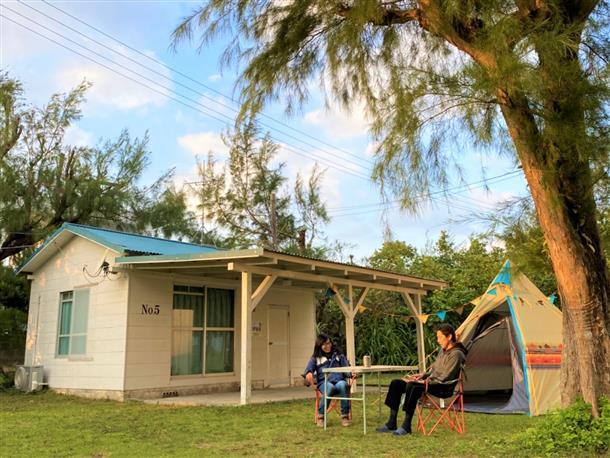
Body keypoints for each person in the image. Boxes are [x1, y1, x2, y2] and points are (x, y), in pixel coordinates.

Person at [376, 324, 468, 436]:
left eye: (440, 337)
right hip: (432, 383)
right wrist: (422, 376)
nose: (438, 340)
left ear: (449, 337)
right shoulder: (443, 352)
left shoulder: (456, 354)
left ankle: (406, 425)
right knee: (396, 383)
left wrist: (424, 382)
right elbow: (433, 371)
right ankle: (391, 422)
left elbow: (445, 377)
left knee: (413, 386)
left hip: (443, 387)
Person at [304, 334, 353, 427]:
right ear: (319, 346)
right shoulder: (315, 358)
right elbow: (308, 370)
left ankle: (345, 416)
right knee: (329, 388)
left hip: (339, 381)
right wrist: (309, 374)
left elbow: (346, 369)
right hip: (324, 383)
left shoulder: (338, 354)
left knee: (343, 385)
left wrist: (352, 374)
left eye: (329, 343)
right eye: (324, 344)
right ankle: (321, 417)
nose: (328, 346)